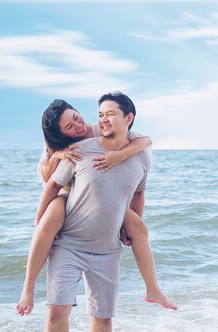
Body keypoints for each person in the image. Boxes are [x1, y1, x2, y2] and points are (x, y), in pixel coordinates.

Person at [15, 96, 176, 319]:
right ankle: (28, 286)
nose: (78, 125)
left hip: (106, 206)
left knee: (139, 227)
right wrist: (58, 155)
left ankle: (153, 288)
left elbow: (145, 141)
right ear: (62, 134)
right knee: (49, 219)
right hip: (69, 194)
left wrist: (120, 156)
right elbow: (47, 179)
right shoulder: (68, 148)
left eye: (76, 118)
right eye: (70, 127)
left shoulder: (102, 129)